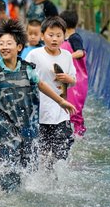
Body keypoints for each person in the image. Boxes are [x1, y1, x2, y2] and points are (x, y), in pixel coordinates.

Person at [0, 19, 76, 192]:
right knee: (9, 158)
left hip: (28, 124)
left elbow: (40, 84)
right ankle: (8, 195)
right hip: (4, 125)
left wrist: (61, 100)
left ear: (19, 47)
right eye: (1, 44)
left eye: (8, 43)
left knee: (28, 163)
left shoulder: (27, 69)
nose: (4, 47)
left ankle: (23, 193)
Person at [26, 16, 77, 168]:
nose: (54, 39)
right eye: (50, 35)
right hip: (40, 111)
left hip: (61, 112)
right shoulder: (35, 55)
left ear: (64, 36)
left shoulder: (67, 56)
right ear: (43, 36)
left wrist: (69, 78)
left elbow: (74, 81)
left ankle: (55, 178)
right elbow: (25, 77)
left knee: (61, 152)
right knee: (40, 151)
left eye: (58, 35)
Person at [60, 10, 88, 137]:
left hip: (77, 80)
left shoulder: (75, 38)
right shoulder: (66, 39)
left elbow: (81, 52)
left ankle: (79, 134)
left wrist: (67, 56)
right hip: (71, 79)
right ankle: (73, 133)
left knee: (75, 110)